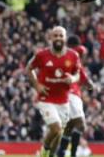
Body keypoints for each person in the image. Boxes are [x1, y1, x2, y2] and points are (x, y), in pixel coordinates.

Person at [27, 26, 81, 157]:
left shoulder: (73, 56)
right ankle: (44, 151)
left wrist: (73, 78)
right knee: (56, 128)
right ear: (50, 38)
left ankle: (50, 155)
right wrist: (37, 85)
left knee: (59, 133)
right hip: (46, 98)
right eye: (55, 35)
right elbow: (29, 68)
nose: (58, 38)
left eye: (61, 35)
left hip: (63, 100)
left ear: (65, 38)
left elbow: (77, 73)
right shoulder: (42, 55)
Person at [56, 35, 97, 157]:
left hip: (62, 95)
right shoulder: (75, 54)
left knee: (70, 126)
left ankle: (61, 152)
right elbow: (81, 73)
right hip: (72, 94)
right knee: (80, 124)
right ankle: (73, 153)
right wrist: (90, 85)